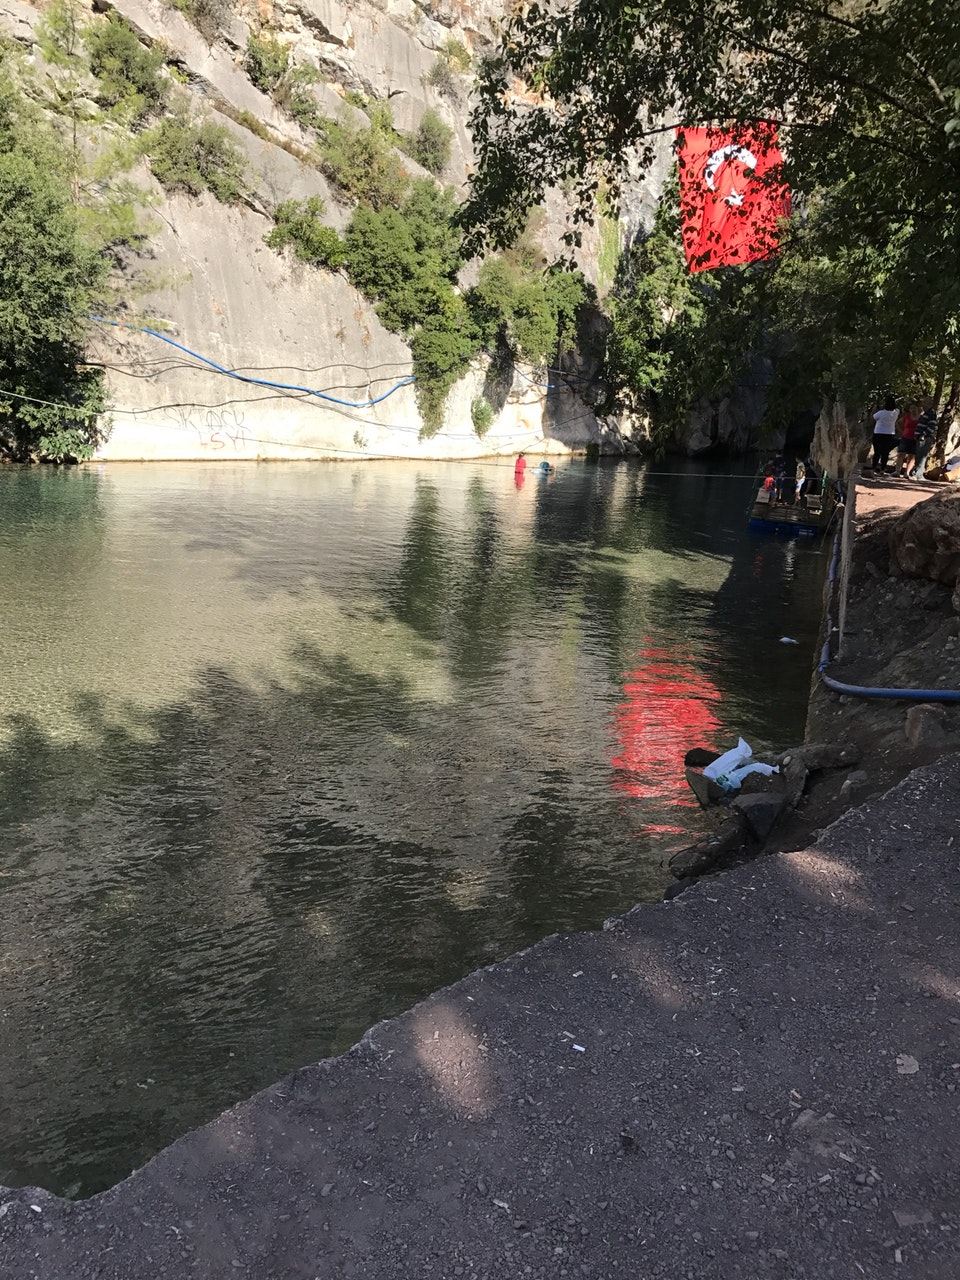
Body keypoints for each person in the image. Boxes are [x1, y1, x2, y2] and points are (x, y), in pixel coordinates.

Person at [870, 395, 899, 473]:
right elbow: (897, 409)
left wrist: (876, 408)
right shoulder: (895, 413)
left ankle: (874, 467)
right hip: (889, 433)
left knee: (877, 452)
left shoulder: (880, 413)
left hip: (878, 433)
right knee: (885, 452)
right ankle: (882, 468)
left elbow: (873, 417)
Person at [913, 397, 938, 480]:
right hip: (919, 437)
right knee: (918, 455)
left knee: (922, 456)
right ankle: (916, 472)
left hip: (925, 438)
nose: (922, 405)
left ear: (929, 404)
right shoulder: (925, 413)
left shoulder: (931, 413)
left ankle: (918, 474)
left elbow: (932, 426)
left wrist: (923, 435)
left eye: (924, 403)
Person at [896, 401, 919, 477]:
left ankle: (907, 472)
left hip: (915, 439)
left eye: (914, 408)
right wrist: (902, 431)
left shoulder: (921, 418)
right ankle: (897, 471)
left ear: (918, 409)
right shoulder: (906, 416)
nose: (913, 410)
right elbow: (898, 423)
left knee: (912, 456)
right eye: (911, 408)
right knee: (901, 454)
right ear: (909, 409)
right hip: (905, 437)